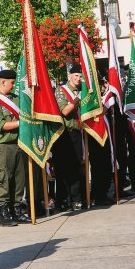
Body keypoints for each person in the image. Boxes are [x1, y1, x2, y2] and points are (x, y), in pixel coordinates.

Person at [0, 69, 29, 226]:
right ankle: (4, 213)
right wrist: (21, 123)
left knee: (19, 179)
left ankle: (16, 210)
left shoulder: (16, 99)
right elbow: (1, 125)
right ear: (3, 82)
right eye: (12, 83)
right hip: (2, 146)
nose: (14, 85)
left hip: (18, 144)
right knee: (3, 180)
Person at [52, 64, 84, 210]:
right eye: (76, 76)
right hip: (65, 133)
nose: (78, 79)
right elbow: (65, 111)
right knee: (63, 168)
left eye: (80, 76)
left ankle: (77, 198)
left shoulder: (82, 90)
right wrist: (77, 99)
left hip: (78, 132)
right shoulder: (61, 90)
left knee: (77, 166)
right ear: (70, 76)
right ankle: (62, 199)